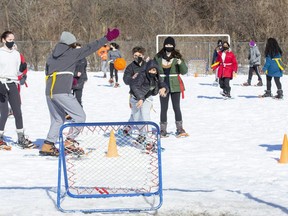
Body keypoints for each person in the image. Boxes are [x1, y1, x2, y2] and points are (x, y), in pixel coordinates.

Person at [39, 28, 119, 156]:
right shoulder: (72, 53)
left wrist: (68, 79)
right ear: (71, 44)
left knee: (57, 119)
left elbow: (50, 72)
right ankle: (69, 142)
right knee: (80, 116)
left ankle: (48, 145)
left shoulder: (51, 56)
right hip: (62, 91)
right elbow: (90, 48)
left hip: (49, 91)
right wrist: (106, 38)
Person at [0, 30, 34, 150]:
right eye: (9, 40)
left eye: (13, 40)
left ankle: (21, 137)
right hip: (2, 84)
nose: (12, 42)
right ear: (3, 40)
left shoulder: (16, 54)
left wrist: (22, 69)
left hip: (13, 83)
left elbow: (18, 72)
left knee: (17, 112)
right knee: (4, 112)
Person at [154, 36, 188, 138]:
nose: (169, 46)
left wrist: (180, 63)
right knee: (164, 108)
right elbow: (153, 70)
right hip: (163, 85)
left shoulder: (177, 57)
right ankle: (163, 130)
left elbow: (184, 71)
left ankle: (180, 128)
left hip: (175, 86)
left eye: (171, 45)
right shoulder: (158, 57)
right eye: (167, 45)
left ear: (173, 46)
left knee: (176, 107)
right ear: (164, 45)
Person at [130, 60, 168, 143]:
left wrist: (164, 88)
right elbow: (135, 86)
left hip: (147, 98)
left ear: (157, 71)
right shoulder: (141, 75)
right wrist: (140, 98)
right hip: (136, 98)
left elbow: (163, 84)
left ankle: (149, 139)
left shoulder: (157, 77)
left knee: (145, 115)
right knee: (137, 118)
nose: (152, 72)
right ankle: (142, 134)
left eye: (154, 70)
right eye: (150, 70)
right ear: (147, 69)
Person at [123, 46, 148, 129]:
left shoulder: (148, 65)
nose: (137, 57)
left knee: (145, 115)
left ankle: (145, 134)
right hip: (134, 94)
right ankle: (129, 127)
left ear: (143, 56)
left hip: (146, 94)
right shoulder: (130, 67)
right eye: (135, 55)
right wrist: (132, 78)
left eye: (139, 55)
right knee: (136, 114)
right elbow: (126, 80)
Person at [72, 43, 88, 107]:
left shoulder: (83, 58)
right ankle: (68, 113)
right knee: (70, 99)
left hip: (80, 80)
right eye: (76, 49)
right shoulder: (70, 58)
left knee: (78, 98)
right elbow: (67, 70)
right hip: (71, 80)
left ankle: (79, 113)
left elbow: (84, 69)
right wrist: (75, 73)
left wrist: (85, 77)